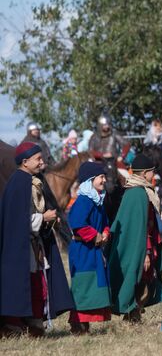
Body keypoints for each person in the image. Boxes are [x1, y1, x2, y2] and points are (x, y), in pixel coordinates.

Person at [0, 143, 73, 336]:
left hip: (35, 243)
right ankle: (16, 324)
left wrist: (48, 221)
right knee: (25, 284)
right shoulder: (18, 183)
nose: (42, 162)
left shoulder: (33, 181)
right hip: (21, 247)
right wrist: (43, 218)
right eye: (38, 159)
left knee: (39, 283)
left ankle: (35, 322)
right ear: (25, 162)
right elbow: (16, 220)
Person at [107, 154, 162, 322]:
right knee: (140, 279)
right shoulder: (139, 194)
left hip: (146, 243)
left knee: (145, 279)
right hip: (141, 245)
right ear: (145, 173)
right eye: (151, 172)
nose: (153, 176)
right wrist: (146, 251)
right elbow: (140, 227)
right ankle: (132, 313)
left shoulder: (138, 191)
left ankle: (134, 313)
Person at [67, 162, 111, 334]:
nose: (104, 180)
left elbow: (105, 222)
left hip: (94, 249)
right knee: (83, 284)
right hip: (82, 250)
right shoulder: (84, 201)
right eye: (101, 177)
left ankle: (86, 322)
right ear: (90, 180)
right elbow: (77, 224)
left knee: (94, 284)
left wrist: (106, 232)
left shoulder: (98, 201)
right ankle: (77, 323)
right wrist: (95, 235)